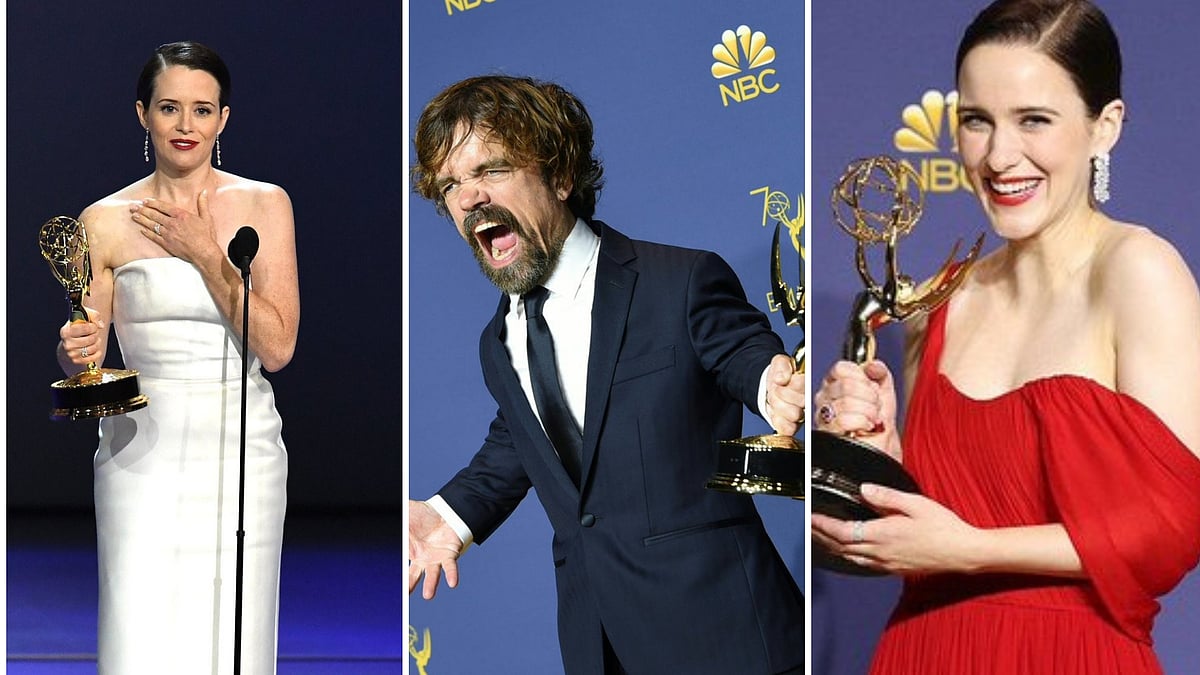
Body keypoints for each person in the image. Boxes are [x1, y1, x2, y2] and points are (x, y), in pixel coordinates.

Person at [811, 1, 1200, 673]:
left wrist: (970, 549)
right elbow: (934, 526)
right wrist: (873, 463)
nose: (998, 156)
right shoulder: (937, 302)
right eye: (975, 121)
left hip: (1071, 654)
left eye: (1034, 121)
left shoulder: (1139, 270)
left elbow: (1171, 531)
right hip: (922, 649)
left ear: (1104, 127)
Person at [407, 75, 805, 675]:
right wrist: (449, 514)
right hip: (598, 643)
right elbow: (520, 442)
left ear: (560, 176)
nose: (467, 199)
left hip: (723, 634)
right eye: (450, 185)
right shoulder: (498, 341)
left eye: (490, 170)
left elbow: (743, 353)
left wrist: (771, 387)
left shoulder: (680, 281)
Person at [55, 41, 299, 673]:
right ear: (143, 115)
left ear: (224, 119)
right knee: (141, 629)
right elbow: (90, 346)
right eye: (170, 108)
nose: (186, 126)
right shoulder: (103, 221)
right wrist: (73, 349)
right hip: (139, 451)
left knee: (231, 634)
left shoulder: (264, 205)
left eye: (202, 110)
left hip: (241, 453)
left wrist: (205, 254)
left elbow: (277, 347)